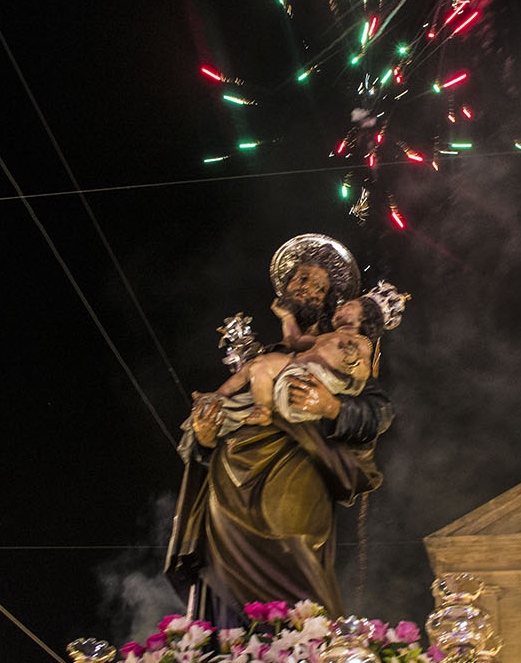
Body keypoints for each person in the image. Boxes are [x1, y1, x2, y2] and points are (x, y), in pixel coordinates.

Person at [164, 235, 397, 619]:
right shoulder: (268, 354)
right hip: (227, 485)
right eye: (299, 279)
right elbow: (219, 413)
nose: (305, 288)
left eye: (318, 286)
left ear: (330, 301)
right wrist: (204, 439)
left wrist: (331, 406)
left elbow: (379, 411)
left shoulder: (342, 353)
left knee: (296, 565)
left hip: (297, 474)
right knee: (223, 587)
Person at [207, 284, 404, 430]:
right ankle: (218, 398)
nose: (340, 308)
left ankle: (261, 408)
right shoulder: (326, 337)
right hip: (294, 369)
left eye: (349, 305)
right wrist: (286, 317)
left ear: (364, 316)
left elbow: (363, 373)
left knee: (261, 365)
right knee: (255, 365)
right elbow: (294, 340)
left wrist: (352, 364)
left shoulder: (360, 342)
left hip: (308, 385)